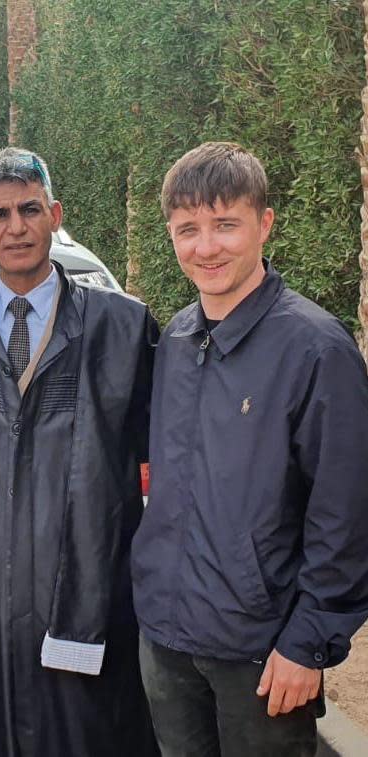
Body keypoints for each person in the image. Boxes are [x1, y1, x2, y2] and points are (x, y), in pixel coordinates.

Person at [131, 142, 368, 757]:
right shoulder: (177, 340)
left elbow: (345, 512)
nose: (206, 247)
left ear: (264, 224)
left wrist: (309, 642)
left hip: (261, 657)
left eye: (225, 224)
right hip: (166, 643)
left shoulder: (318, 351)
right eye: (189, 229)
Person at [0, 147, 159, 756]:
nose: (16, 228)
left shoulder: (125, 329)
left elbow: (170, 460)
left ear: (55, 214)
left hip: (86, 595)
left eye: (29, 209)